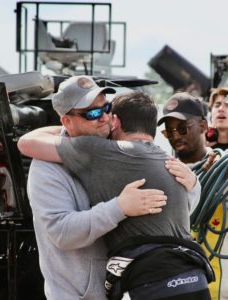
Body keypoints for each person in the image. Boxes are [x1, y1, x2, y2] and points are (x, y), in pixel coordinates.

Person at [18, 80, 212, 299]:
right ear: (67, 121)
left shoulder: (120, 147)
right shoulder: (46, 167)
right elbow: (62, 233)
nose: (103, 117)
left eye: (106, 107)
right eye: (91, 114)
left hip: (129, 289)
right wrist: (119, 207)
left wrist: (192, 186)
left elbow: (168, 209)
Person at [158, 91, 228, 300]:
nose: (176, 136)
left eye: (182, 128)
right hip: (183, 288)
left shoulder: (223, 171)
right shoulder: (161, 173)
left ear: (204, 127)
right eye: (169, 132)